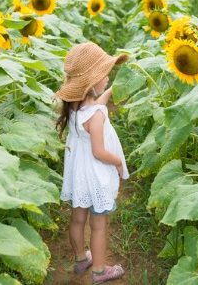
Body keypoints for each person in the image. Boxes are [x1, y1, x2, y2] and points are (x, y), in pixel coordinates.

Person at [55, 42, 129, 284]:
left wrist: (111, 90)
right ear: (90, 82)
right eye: (104, 75)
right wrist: (118, 161)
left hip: (79, 177)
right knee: (98, 225)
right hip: (95, 176)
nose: (107, 78)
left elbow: (98, 103)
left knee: (77, 219)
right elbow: (99, 152)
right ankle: (99, 271)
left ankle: (81, 260)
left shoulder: (76, 108)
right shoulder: (95, 116)